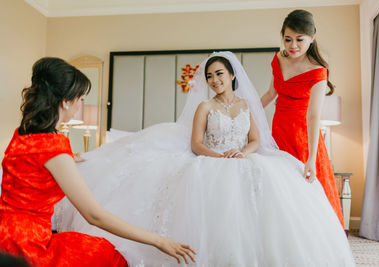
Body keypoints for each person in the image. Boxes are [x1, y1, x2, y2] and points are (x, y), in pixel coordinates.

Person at [55, 52, 354, 266]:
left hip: (243, 158)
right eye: (210, 76)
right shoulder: (204, 107)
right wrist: (220, 157)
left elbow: (255, 140)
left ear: (233, 75)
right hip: (212, 159)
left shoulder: (248, 106)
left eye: (219, 74)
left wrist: (243, 153)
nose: (214, 80)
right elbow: (196, 144)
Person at [0, 57, 195, 267]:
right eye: (81, 98)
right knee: (109, 255)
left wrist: (69, 159)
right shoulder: (54, 146)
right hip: (28, 244)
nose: (80, 105)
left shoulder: (22, 135)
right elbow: (95, 215)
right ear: (66, 101)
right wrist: (159, 241)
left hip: (5, 235)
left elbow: (33, 169)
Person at [261, 9, 344, 226]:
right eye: (287, 39)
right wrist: (245, 113)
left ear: (312, 38)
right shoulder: (279, 59)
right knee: (280, 189)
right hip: (278, 131)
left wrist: (311, 158)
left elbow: (314, 114)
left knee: (305, 192)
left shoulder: (318, 71)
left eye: (300, 39)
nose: (293, 45)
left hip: (303, 137)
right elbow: (271, 94)